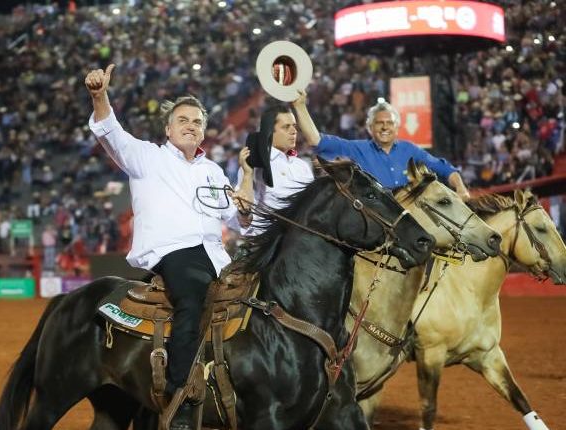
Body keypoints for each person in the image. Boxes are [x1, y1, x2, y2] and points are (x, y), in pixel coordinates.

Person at [85, 64, 254, 429]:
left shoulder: (213, 171)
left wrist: (243, 206)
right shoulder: (147, 157)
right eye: (183, 120)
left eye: (197, 121)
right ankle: (179, 398)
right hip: (173, 253)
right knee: (192, 299)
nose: (191, 125)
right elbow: (110, 132)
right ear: (168, 128)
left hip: (217, 256)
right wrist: (100, 96)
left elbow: (236, 218)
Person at [293, 91, 471, 199]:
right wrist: (300, 106)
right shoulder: (357, 149)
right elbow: (316, 141)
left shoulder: (410, 150)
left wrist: (461, 188)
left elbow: (444, 168)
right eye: (379, 123)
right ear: (370, 127)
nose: (385, 126)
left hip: (410, 223)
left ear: (397, 127)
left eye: (390, 122)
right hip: (374, 226)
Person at [238, 103, 314, 235]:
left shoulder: (303, 166)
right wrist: (247, 174)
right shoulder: (255, 165)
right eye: (286, 127)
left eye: (294, 126)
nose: (294, 131)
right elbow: (245, 220)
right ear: (269, 131)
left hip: (303, 241)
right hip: (269, 243)